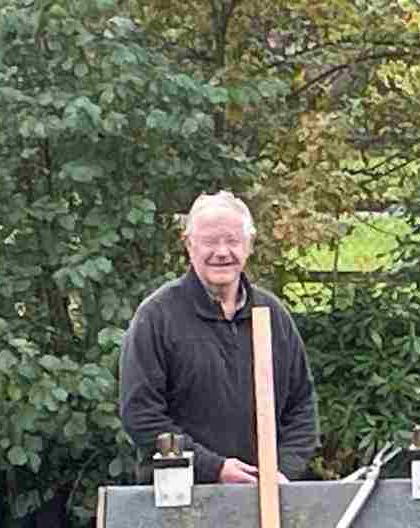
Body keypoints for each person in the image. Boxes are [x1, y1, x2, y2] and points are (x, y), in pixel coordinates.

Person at [119, 191, 318, 484]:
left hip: (266, 497)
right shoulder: (158, 317)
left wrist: (282, 471)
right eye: (210, 241)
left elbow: (301, 406)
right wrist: (213, 468)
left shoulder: (271, 313)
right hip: (179, 496)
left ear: (249, 246)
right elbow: (141, 416)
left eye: (233, 241)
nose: (222, 252)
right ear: (189, 245)